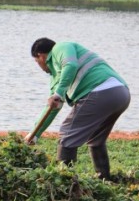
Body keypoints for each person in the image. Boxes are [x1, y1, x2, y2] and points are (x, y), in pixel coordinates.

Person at [25, 38, 130, 180]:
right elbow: (53, 107)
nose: (40, 67)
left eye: (37, 62)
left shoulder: (61, 47)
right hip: (120, 95)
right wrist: (34, 134)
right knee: (96, 139)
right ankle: (105, 180)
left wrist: (59, 92)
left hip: (100, 91)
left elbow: (70, 64)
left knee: (67, 133)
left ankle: (65, 183)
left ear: (41, 56)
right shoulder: (57, 77)